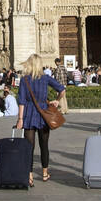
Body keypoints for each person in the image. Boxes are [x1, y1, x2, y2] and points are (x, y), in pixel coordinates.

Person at [16, 54, 67, 184]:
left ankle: (29, 175)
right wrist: (57, 101)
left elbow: (21, 101)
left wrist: (20, 119)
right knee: (44, 145)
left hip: (28, 114)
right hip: (43, 113)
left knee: (29, 147)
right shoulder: (46, 78)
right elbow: (62, 89)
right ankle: (45, 173)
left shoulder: (24, 79)